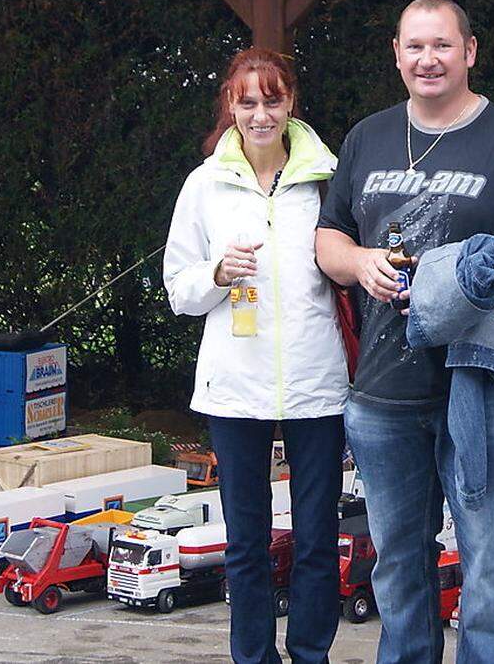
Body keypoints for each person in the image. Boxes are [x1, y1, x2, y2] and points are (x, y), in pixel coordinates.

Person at [314, 0, 494, 663]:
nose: (427, 59)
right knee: (398, 568)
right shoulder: (367, 137)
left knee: (490, 571)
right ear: (397, 54)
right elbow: (328, 237)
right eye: (415, 46)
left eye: (441, 45)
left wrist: (475, 282)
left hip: (485, 391)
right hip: (381, 395)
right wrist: (358, 262)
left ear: (468, 52)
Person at [163, 47, 349, 664]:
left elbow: (351, 268)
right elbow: (178, 289)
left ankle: (310, 654)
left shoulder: (329, 178)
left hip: (317, 384)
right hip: (234, 388)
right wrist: (216, 273)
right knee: (244, 542)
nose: (261, 114)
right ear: (230, 106)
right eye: (248, 102)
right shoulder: (203, 185)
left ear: (291, 101)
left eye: (272, 100)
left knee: (318, 537)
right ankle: (253, 658)